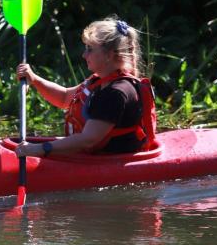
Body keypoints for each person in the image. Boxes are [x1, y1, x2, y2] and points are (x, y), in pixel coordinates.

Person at [14, 16, 157, 158]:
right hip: (95, 155)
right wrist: (34, 79)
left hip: (111, 161)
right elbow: (64, 98)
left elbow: (87, 140)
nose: (84, 55)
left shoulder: (116, 92)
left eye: (90, 49)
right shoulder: (99, 81)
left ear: (109, 55)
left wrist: (41, 149)